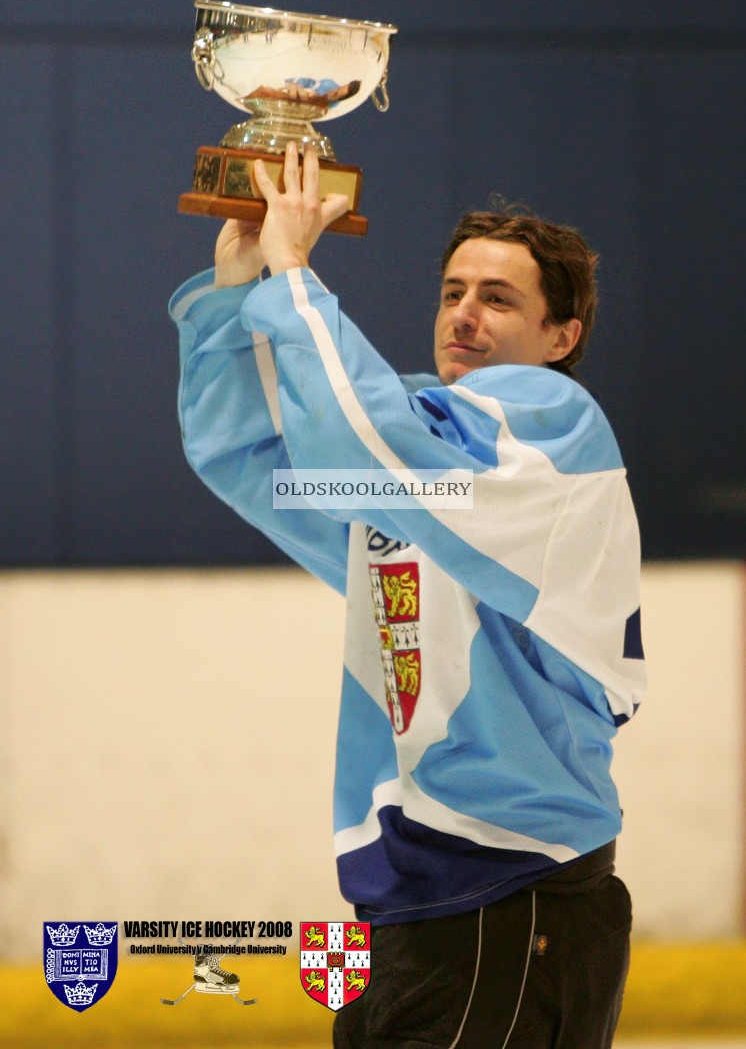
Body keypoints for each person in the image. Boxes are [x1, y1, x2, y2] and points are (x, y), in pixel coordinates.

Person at [169, 143, 646, 1048]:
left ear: (562, 337)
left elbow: (365, 449)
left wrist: (297, 274)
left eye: (498, 299)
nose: (464, 315)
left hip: (512, 890)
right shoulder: (428, 458)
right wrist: (235, 295)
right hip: (412, 893)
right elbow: (260, 464)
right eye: (452, 291)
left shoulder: (550, 437)